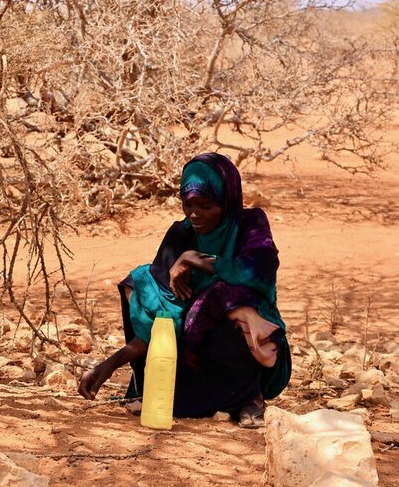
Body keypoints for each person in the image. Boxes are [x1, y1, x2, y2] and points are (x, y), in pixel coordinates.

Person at [78, 153, 291, 427]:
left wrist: (197, 259)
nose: (194, 214)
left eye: (205, 205)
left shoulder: (251, 225)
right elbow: (164, 318)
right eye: (188, 204)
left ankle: (249, 397)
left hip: (243, 347)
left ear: (226, 201)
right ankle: (173, 390)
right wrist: (108, 365)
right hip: (191, 352)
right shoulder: (180, 234)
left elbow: (258, 271)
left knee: (234, 298)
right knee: (141, 284)